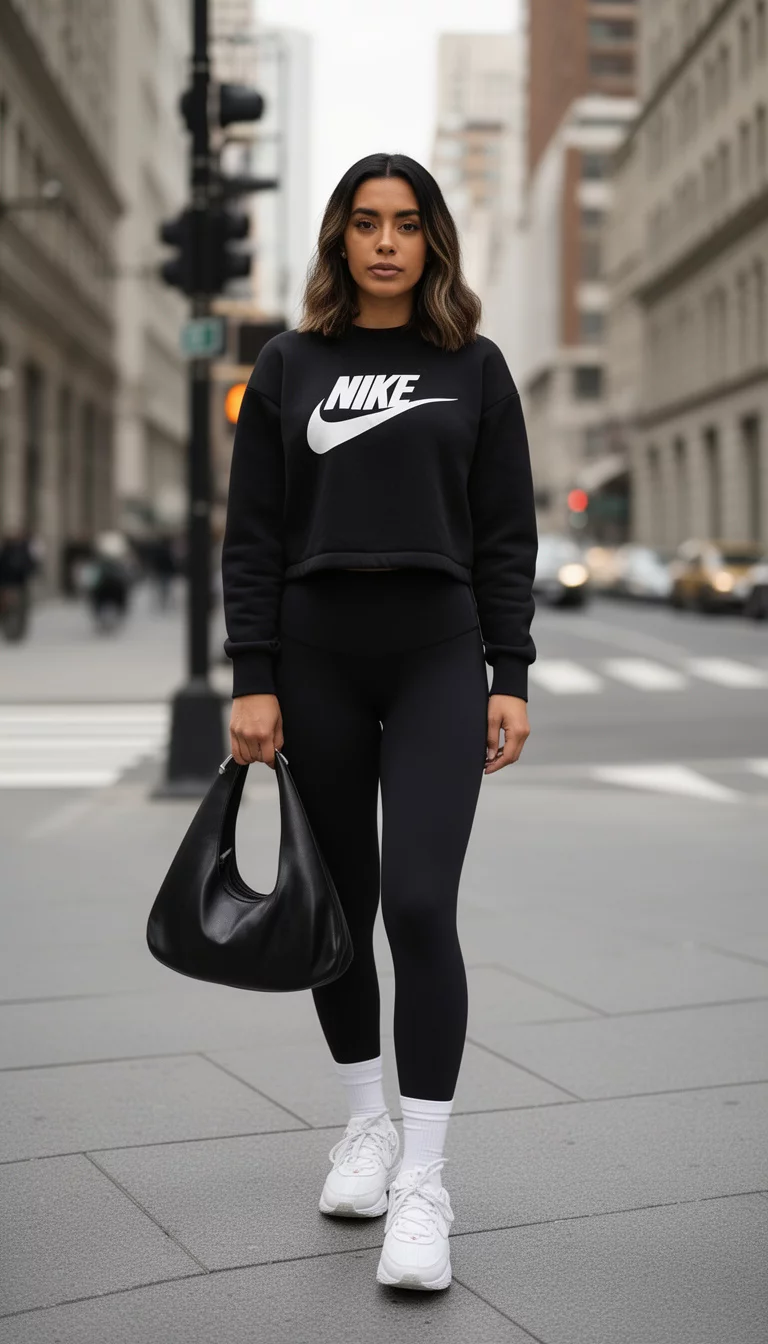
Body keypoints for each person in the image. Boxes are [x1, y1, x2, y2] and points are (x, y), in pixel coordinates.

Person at [220, 153, 537, 1293]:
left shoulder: (477, 367)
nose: (388, 242)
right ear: (340, 240)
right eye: (367, 223)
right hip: (315, 659)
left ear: (433, 239)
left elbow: (506, 532)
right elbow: (252, 533)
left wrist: (513, 669)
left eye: (407, 224)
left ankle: (426, 1182)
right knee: (341, 908)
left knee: (417, 902)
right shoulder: (288, 363)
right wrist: (251, 675)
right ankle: (367, 1126)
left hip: (440, 653)